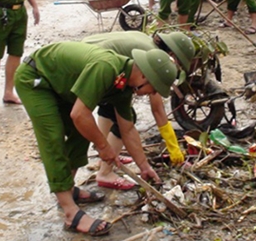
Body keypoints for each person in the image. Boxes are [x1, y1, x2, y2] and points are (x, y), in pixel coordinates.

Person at [14, 42, 179, 236]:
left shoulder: (124, 85)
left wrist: (144, 166)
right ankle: (70, 212)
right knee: (53, 138)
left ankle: (67, 189)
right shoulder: (106, 67)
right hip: (37, 79)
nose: (152, 93)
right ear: (144, 75)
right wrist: (103, 146)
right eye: (154, 88)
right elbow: (79, 115)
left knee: (82, 132)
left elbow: (127, 129)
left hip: (61, 86)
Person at [82, 31, 195, 189]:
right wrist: (174, 148)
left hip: (86, 52)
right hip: (92, 63)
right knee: (126, 118)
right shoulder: (152, 59)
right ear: (171, 54)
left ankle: (106, 157)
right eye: (178, 63)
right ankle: (105, 173)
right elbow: (157, 109)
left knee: (108, 107)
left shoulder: (147, 44)